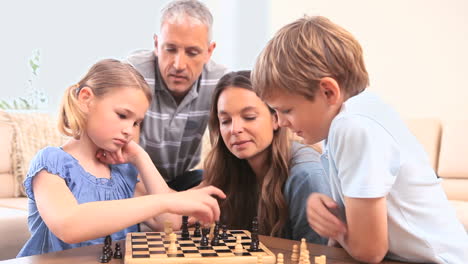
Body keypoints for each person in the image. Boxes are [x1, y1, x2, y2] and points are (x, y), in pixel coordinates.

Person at [251, 16, 468, 263]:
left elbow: (370, 250)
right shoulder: (352, 116)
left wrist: (336, 229)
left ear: (328, 92)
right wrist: (334, 216)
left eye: (286, 110)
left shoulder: (353, 126)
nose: (280, 122)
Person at [17, 59, 225, 257]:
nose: (129, 130)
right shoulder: (51, 163)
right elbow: (68, 225)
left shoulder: (124, 172)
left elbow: (169, 222)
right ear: (86, 99)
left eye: (136, 123)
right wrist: (167, 200)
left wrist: (141, 158)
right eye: (122, 115)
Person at [201, 71, 330, 244]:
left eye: (249, 117)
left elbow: (317, 256)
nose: (235, 129)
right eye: (225, 121)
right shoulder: (227, 169)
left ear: (276, 119)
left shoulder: (305, 175)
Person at [127, 0, 227, 191]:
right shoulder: (132, 74)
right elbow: (121, 154)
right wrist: (170, 201)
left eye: (192, 52)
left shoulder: (221, 83)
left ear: (209, 51)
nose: (179, 64)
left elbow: (228, 156)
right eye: (170, 49)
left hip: (183, 180)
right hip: (134, 178)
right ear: (157, 45)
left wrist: (190, 197)